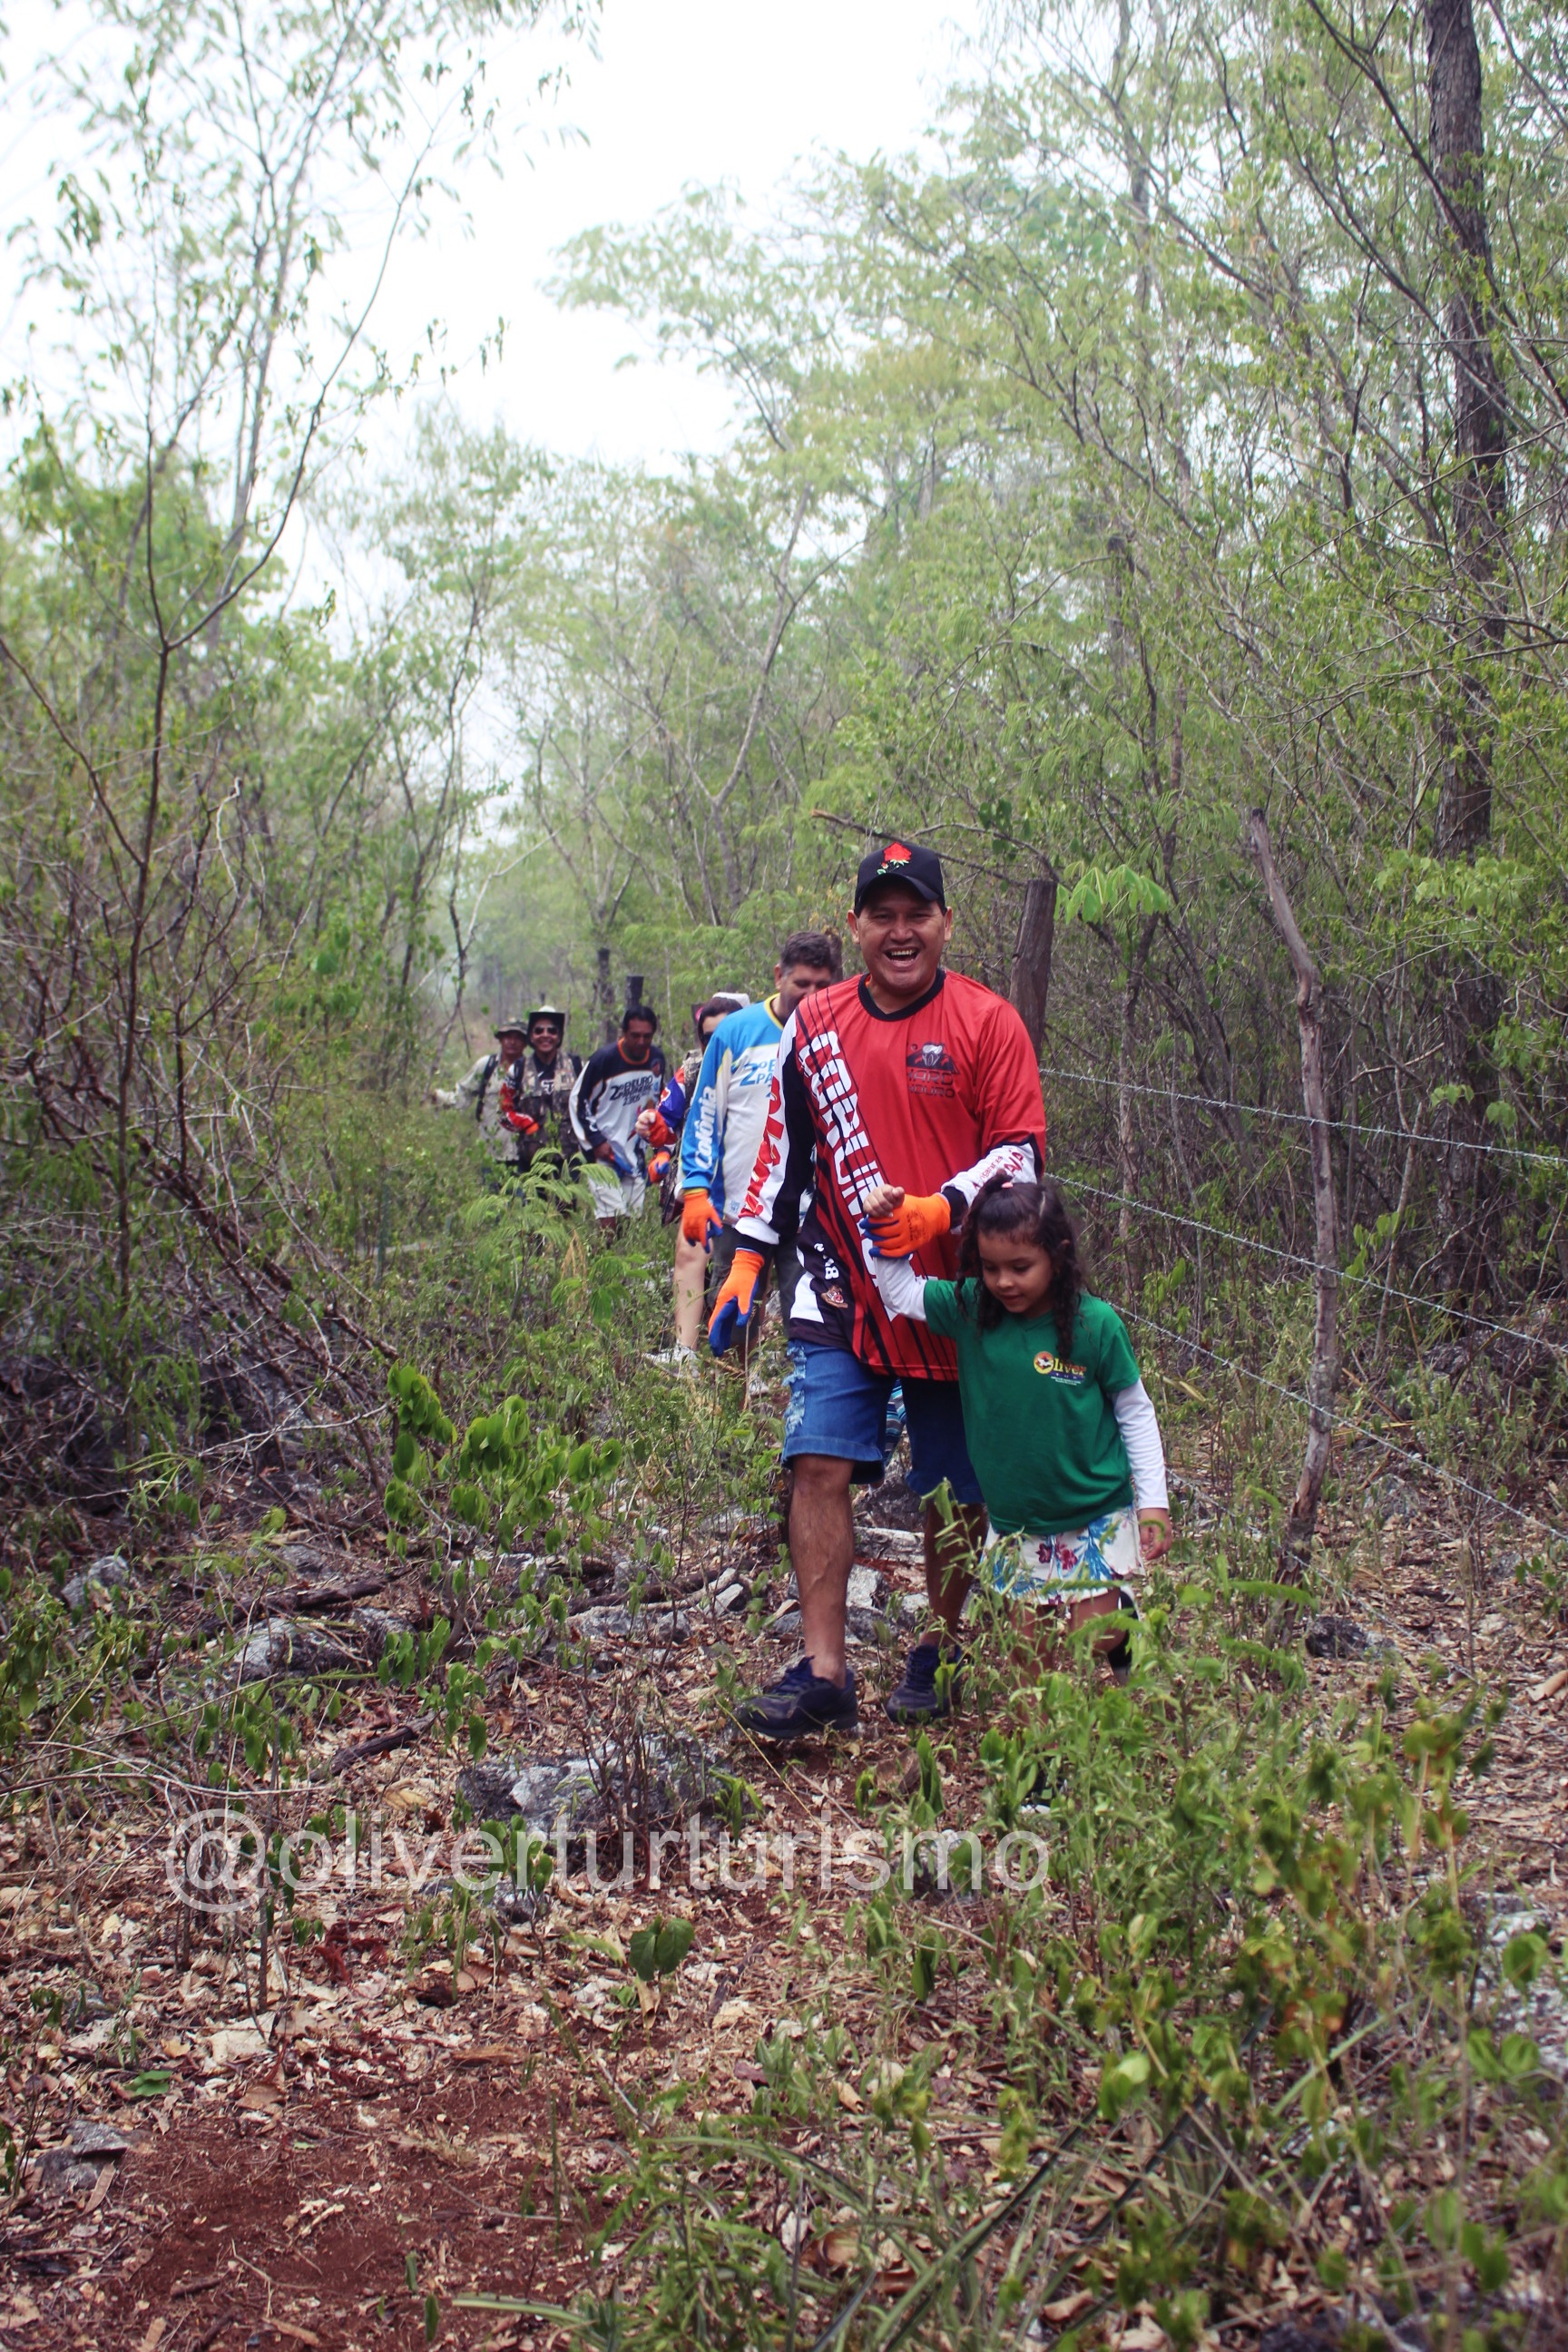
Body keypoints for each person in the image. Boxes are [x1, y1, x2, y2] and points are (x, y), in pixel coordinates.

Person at [708, 838, 1046, 1740]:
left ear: (944, 923)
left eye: (917, 915)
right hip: (837, 1277)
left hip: (950, 1291)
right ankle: (823, 1670)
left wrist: (945, 1212)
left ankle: (941, 1643)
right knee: (817, 1462)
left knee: (952, 1486)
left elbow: (1023, 1154)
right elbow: (784, 1153)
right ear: (855, 925)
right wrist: (748, 1259)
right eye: (881, 915)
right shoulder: (812, 1029)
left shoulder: (989, 1022)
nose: (900, 933)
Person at [865, 1175, 1171, 1675]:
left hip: (1092, 1512)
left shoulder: (1095, 1325)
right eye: (990, 1268)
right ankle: (1043, 1749)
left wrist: (1153, 1500)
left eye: (1020, 1267)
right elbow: (900, 1292)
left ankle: (1123, 1626)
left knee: (1093, 1638)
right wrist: (885, 1224)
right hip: (1015, 1522)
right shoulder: (972, 1310)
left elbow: (1135, 1412)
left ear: (1059, 1255)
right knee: (1026, 1652)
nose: (1004, 1281)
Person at [670, 933, 844, 1364]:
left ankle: (797, 1418)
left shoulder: (842, 1031)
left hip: (811, 1214)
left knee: (812, 1331)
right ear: (779, 976)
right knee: (733, 1331)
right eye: (802, 983)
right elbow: (705, 1114)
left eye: (823, 986)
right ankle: (727, 1416)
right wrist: (694, 1188)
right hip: (740, 1210)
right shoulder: (736, 1032)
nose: (812, 995)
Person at [639, 993, 751, 1367]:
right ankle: (685, 1352)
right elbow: (666, 1120)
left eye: (723, 1033)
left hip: (750, 1186)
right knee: (689, 1255)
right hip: (701, 1182)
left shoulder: (760, 1063)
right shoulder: (692, 1069)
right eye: (707, 1035)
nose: (713, 1042)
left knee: (740, 1272)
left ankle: (741, 1364)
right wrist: (654, 1130)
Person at [429, 1012, 580, 1180]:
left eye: (517, 1037)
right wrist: (439, 1097)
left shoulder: (530, 1072)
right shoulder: (486, 1066)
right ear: (500, 1039)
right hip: (492, 1152)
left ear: (525, 1042)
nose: (512, 1042)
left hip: (524, 1154)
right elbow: (462, 1097)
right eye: (507, 1036)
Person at [569, 1004, 667, 1227]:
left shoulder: (656, 1060)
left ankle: (626, 1261)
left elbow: (657, 1100)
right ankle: (601, 1259)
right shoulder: (603, 1060)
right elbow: (579, 1101)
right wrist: (596, 1142)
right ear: (624, 1033)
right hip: (606, 1151)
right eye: (635, 1036)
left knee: (631, 1221)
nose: (641, 1042)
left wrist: (658, 1144)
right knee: (609, 1221)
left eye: (647, 1036)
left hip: (635, 1151)